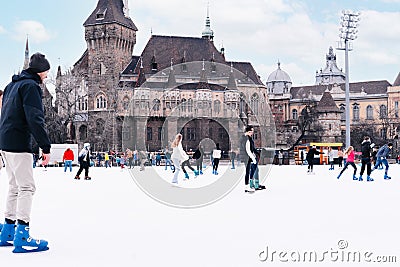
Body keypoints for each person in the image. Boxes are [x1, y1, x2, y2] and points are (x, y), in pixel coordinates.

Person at [0, 52, 51, 253]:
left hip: (5, 141)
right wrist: (45, 146)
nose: (46, 76)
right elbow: (35, 118)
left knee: (14, 187)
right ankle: (22, 234)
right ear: (39, 71)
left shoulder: (12, 86)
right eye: (45, 73)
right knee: (27, 188)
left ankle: (7, 230)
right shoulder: (30, 87)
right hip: (19, 143)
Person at [240, 126, 257, 193]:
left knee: (248, 171)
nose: (252, 133)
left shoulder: (245, 138)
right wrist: (253, 158)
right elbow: (248, 150)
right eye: (251, 131)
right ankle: (247, 187)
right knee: (247, 172)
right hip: (247, 157)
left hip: (246, 157)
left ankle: (247, 186)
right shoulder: (246, 139)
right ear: (248, 131)